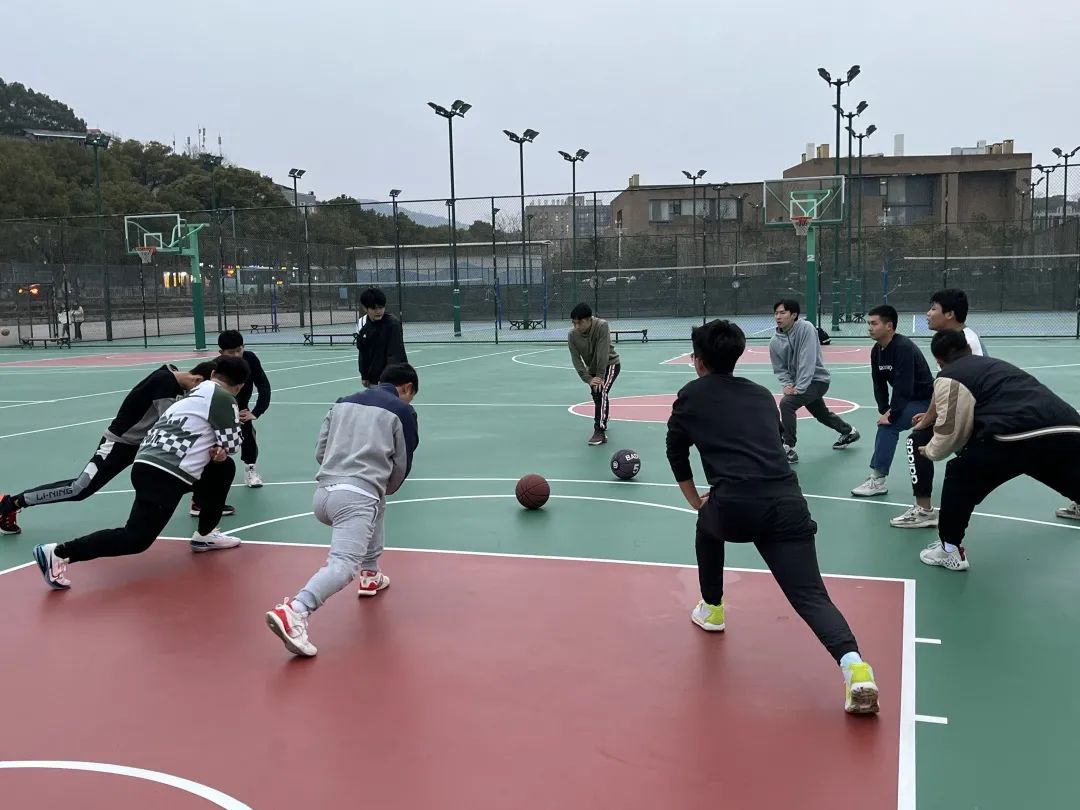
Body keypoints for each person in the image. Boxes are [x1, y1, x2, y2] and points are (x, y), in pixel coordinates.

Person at [665, 319, 879, 714]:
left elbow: (675, 451)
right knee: (811, 596)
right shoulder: (762, 394)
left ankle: (712, 608)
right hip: (787, 503)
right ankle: (856, 668)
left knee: (707, 525)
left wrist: (696, 500)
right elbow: (775, 439)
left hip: (735, 507)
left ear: (698, 361)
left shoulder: (690, 396)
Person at [31, 356, 251, 591]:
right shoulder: (223, 398)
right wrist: (222, 447)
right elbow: (232, 445)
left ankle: (205, 535)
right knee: (136, 539)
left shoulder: (194, 394)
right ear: (240, 386)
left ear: (214, 373)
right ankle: (58, 552)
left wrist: (217, 451)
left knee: (222, 469)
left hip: (147, 462)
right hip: (166, 472)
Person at [265, 363, 420, 657]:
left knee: (377, 504)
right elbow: (401, 463)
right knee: (343, 564)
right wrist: (384, 485)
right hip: (354, 499)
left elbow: (320, 450)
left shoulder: (341, 403)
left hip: (324, 494)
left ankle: (371, 573)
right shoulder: (403, 411)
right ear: (408, 388)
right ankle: (295, 611)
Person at [916, 329, 1080, 571]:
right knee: (1049, 466)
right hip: (1069, 428)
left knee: (960, 475)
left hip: (1014, 436)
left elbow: (950, 432)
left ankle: (949, 550)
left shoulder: (950, 375)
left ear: (939, 361)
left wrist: (929, 450)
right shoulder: (996, 366)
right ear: (968, 349)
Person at [0, 361, 218, 536]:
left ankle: (199, 502)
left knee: (197, 469)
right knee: (79, 489)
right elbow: (172, 425)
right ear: (197, 380)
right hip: (119, 444)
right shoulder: (165, 384)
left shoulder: (172, 378)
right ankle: (11, 503)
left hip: (144, 446)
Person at [893, 289, 986, 528]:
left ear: (950, 314)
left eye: (933, 308)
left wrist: (929, 421)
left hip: (980, 419)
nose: (928, 313)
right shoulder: (952, 340)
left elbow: (965, 388)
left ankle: (929, 515)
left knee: (917, 441)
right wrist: (929, 415)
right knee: (919, 439)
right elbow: (943, 383)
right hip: (969, 414)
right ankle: (924, 510)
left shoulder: (967, 343)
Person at [850, 305, 934, 498]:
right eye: (868, 323)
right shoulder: (876, 350)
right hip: (909, 400)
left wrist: (893, 414)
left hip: (927, 401)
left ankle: (878, 481)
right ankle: (878, 480)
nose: (869, 328)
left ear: (889, 326)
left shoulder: (903, 348)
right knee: (888, 422)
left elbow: (904, 387)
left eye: (874, 323)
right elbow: (878, 383)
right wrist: (884, 409)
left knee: (888, 426)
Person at [769, 298, 860, 463]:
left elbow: (808, 359)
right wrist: (787, 384)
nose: (778, 316)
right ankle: (849, 432)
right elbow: (780, 368)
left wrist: (800, 387)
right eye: (776, 313)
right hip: (799, 384)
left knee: (787, 404)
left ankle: (788, 447)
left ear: (794, 315)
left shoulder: (806, 329)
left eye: (782, 313)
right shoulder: (774, 342)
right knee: (821, 414)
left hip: (817, 380)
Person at [212, 330, 271, 492]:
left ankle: (251, 469)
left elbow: (263, 385)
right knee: (214, 443)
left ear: (244, 346)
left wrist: (256, 412)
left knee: (249, 438)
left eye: (239, 350)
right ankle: (208, 474)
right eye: (231, 352)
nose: (237, 355)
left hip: (242, 409)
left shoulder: (250, 359)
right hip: (220, 410)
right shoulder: (215, 366)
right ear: (221, 352)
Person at [567, 302, 621, 446]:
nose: (576, 326)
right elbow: (576, 360)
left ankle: (599, 431)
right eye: (574, 323)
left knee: (600, 391)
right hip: (591, 369)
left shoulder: (601, 326)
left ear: (589, 319)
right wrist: (588, 379)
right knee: (597, 395)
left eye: (580, 323)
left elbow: (603, 353)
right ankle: (604, 415)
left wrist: (600, 377)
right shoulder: (572, 335)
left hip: (610, 364)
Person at [356, 287, 407, 389]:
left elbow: (395, 354)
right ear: (365, 308)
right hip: (373, 380)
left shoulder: (393, 324)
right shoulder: (362, 323)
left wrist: (387, 379)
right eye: (374, 308)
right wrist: (364, 375)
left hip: (391, 380)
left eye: (381, 307)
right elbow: (362, 352)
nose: (378, 311)